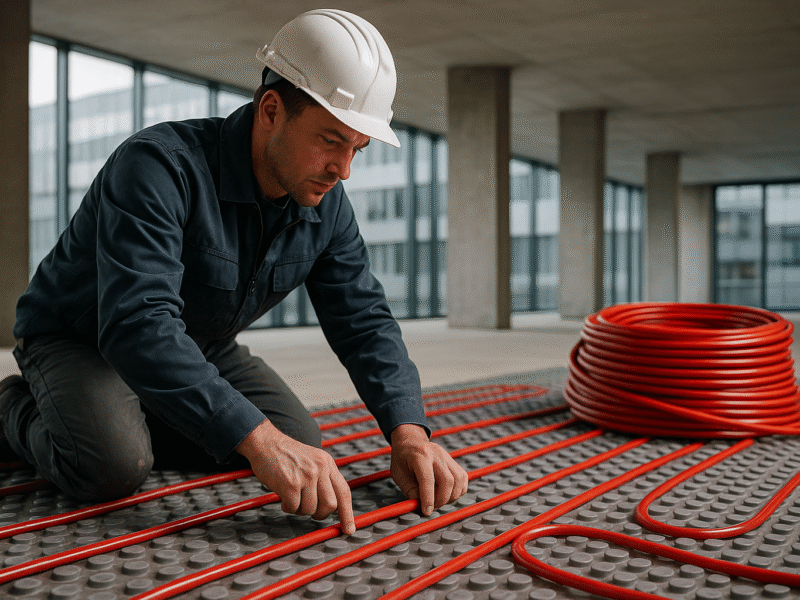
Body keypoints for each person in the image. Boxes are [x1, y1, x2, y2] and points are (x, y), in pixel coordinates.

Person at [0, 9, 467, 535]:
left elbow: (363, 320)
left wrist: (409, 434)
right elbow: (137, 325)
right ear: (271, 110)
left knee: (300, 444)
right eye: (331, 140)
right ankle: (12, 405)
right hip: (81, 340)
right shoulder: (158, 168)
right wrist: (257, 440)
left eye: (356, 148)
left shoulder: (324, 204)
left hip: (200, 344)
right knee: (112, 465)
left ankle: (137, 410)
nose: (345, 170)